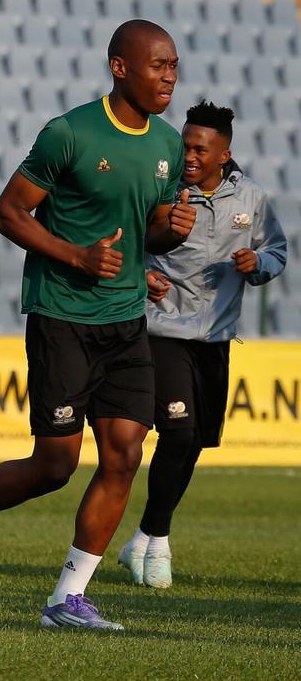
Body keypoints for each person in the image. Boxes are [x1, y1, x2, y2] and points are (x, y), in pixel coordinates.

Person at [0, 19, 192, 630]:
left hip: (125, 320)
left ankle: (66, 598)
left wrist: (163, 237)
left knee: (124, 455)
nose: (169, 76)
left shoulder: (168, 146)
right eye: (158, 65)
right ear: (120, 67)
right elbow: (7, 212)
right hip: (61, 316)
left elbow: (141, 231)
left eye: (174, 65)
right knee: (54, 465)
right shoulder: (69, 133)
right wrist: (78, 256)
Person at [118, 100, 287, 588]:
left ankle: (144, 538)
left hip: (215, 339)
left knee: (193, 441)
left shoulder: (251, 198)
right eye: (185, 145)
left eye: (199, 149)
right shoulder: (163, 189)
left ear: (223, 154)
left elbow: (276, 250)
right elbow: (129, 243)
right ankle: (160, 542)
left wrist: (259, 263)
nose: (188, 156)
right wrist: (143, 275)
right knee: (178, 430)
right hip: (161, 330)